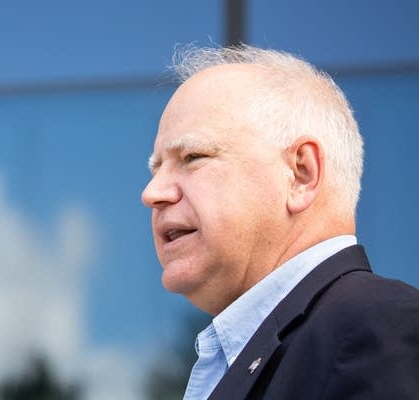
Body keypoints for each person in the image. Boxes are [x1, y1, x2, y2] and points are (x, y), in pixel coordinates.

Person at [141, 44, 419, 400]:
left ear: (301, 174)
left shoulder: (378, 328)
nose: (152, 192)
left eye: (193, 157)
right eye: (156, 167)